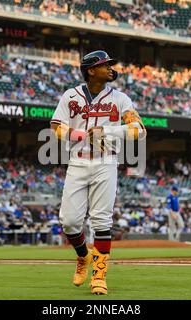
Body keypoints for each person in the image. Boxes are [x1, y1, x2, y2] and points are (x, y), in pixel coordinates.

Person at [50, 50, 146, 295]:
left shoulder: (120, 98)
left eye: (110, 65)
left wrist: (110, 133)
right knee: (70, 221)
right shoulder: (71, 95)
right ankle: (83, 256)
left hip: (106, 162)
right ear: (91, 70)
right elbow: (56, 128)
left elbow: (139, 130)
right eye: (105, 65)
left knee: (102, 221)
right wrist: (80, 135)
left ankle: (99, 275)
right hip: (78, 161)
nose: (111, 69)